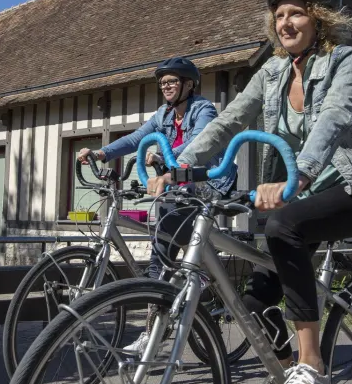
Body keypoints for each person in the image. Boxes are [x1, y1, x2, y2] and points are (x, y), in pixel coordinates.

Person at [147, 0, 352, 384]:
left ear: (318, 18)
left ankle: (312, 367)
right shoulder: (273, 71)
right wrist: (181, 163)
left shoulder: (347, 60)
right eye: (279, 15)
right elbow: (230, 119)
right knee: (254, 303)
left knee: (284, 226)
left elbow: (335, 117)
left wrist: (299, 175)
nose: (285, 23)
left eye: (296, 13)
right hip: (303, 193)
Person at [77, 56, 237, 355]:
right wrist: (101, 153)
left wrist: (164, 154)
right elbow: (138, 138)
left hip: (209, 181)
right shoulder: (163, 114)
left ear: (189, 84)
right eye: (163, 83)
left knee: (165, 251)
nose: (166, 87)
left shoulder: (203, 109)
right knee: (159, 256)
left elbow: (200, 143)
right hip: (176, 184)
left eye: (172, 81)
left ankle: (198, 277)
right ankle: (155, 328)